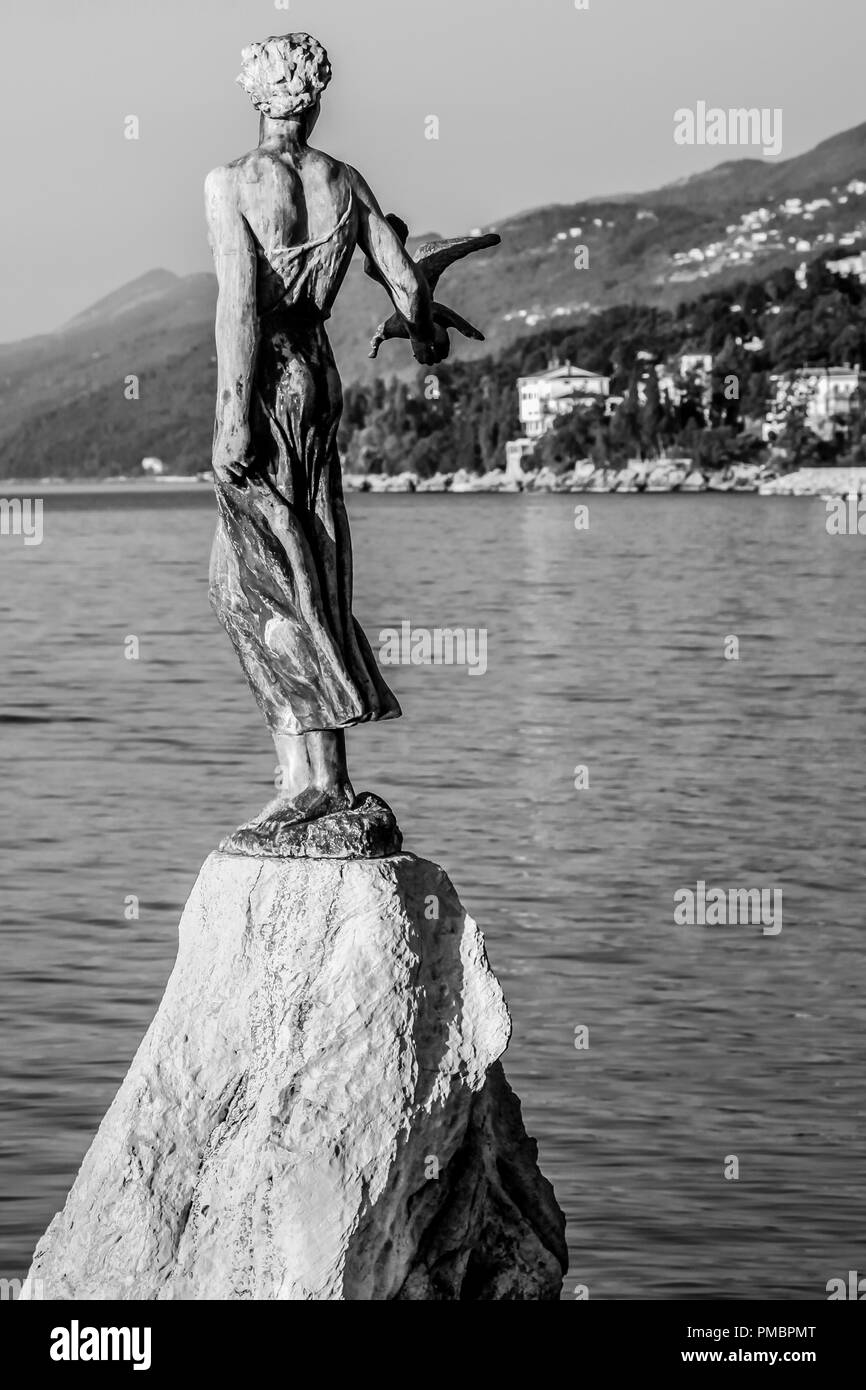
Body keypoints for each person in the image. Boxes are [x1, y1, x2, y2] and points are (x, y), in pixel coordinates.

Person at [205, 33, 449, 831]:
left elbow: (239, 304)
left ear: (258, 94)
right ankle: (308, 772)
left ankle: (318, 780)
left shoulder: (234, 182)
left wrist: (233, 415)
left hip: (270, 380)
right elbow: (407, 281)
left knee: (255, 581)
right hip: (320, 376)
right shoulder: (344, 182)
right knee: (316, 557)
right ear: (313, 96)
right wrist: (424, 327)